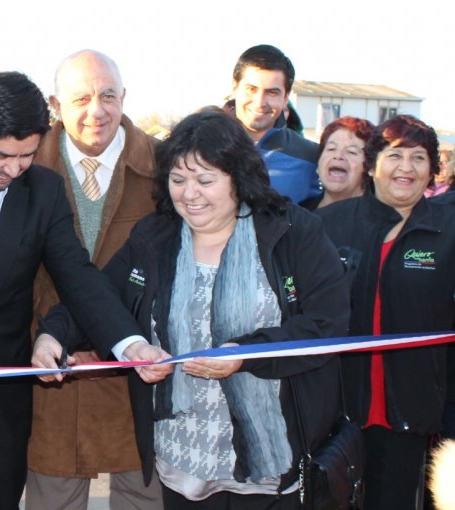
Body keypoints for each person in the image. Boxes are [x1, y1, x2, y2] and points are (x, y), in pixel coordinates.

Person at [34, 110, 349, 509]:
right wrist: (53, 333)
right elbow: (98, 296)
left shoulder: (292, 233)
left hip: (269, 464)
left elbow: (327, 324)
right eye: (178, 180)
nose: (189, 193)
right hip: (179, 465)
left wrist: (246, 354)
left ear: (239, 178)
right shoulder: (156, 235)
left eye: (205, 180)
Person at [0, 71, 167, 510]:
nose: (13, 169)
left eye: (27, 155)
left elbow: (78, 276)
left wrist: (130, 343)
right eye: (1, 155)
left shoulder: (43, 189)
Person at [26, 49, 163, 510]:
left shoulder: (166, 173)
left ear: (124, 97)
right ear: (55, 104)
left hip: (138, 380)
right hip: (49, 376)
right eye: (81, 98)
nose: (96, 111)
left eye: (108, 95)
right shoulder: (23, 170)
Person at [316, 114, 455, 509]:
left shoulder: (447, 229)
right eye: (395, 155)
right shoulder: (328, 225)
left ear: (432, 170)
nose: (406, 168)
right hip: (338, 413)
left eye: (419, 157)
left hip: (414, 415)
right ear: (373, 163)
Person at [224, 44, 320, 204]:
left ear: (285, 98)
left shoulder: (309, 156)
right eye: (251, 89)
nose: (260, 102)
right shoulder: (200, 144)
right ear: (235, 87)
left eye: (272, 92)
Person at [299, 116, 374, 210]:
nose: (338, 156)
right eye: (331, 149)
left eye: (351, 152)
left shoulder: (381, 220)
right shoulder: (299, 213)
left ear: (370, 167)